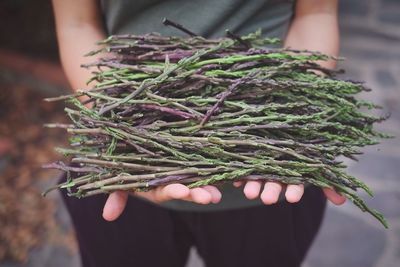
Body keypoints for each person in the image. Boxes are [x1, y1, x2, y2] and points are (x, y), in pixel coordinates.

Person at [52, 0, 346, 266]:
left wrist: (298, 117)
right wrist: (119, 129)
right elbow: (77, 22)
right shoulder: (123, 141)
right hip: (123, 162)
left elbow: (316, 12)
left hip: (271, 172)